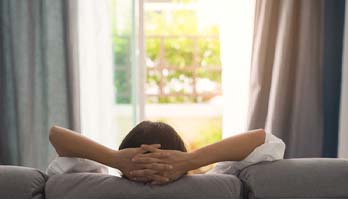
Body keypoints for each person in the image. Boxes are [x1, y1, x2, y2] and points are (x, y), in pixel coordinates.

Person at [48, 121, 284, 185]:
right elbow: (265, 142)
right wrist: (190, 161)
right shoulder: (216, 187)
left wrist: (114, 159)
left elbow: (57, 136)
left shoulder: (94, 187)